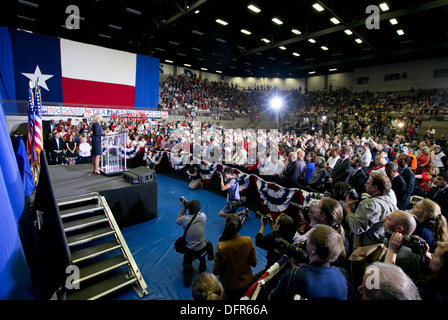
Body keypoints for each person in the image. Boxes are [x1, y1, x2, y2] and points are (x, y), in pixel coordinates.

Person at [269, 225, 350, 300]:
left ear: (313, 249)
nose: (305, 242)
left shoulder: (292, 276)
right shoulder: (343, 274)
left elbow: (272, 298)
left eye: (308, 240)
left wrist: (295, 273)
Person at [345, 172, 398, 249]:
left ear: (375, 188)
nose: (365, 185)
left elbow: (356, 228)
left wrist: (347, 208)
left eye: (368, 184)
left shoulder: (368, 204)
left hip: (366, 248)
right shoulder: (391, 202)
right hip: (381, 245)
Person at [213, 214, 257, 300]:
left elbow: (215, 271)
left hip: (229, 287)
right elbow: (254, 263)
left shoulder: (221, 246)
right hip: (247, 283)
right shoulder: (248, 240)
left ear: (226, 225)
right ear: (239, 227)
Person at [383, 210, 422, 282]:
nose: (383, 219)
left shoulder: (407, 256)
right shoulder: (387, 241)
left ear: (398, 229)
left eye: (388, 219)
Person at [176, 199, 208, 287]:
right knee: (202, 255)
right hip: (203, 249)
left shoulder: (183, 219)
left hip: (191, 251)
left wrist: (184, 209)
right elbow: (199, 213)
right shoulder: (203, 217)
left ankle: (187, 276)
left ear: (188, 208)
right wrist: (194, 209)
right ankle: (202, 263)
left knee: (186, 262)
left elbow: (177, 220)